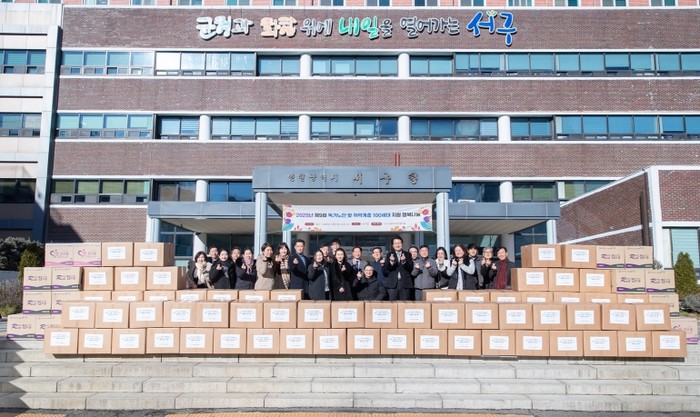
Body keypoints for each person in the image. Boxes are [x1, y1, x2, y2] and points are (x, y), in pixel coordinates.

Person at [384, 235, 413, 301]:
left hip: (405, 283)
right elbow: (387, 269)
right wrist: (391, 262)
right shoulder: (389, 255)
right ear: (393, 245)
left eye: (399, 243)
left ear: (402, 244)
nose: (397, 245)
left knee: (405, 303)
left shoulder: (408, 254)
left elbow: (410, 268)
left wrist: (404, 261)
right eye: (395, 243)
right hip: (393, 283)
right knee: (393, 303)